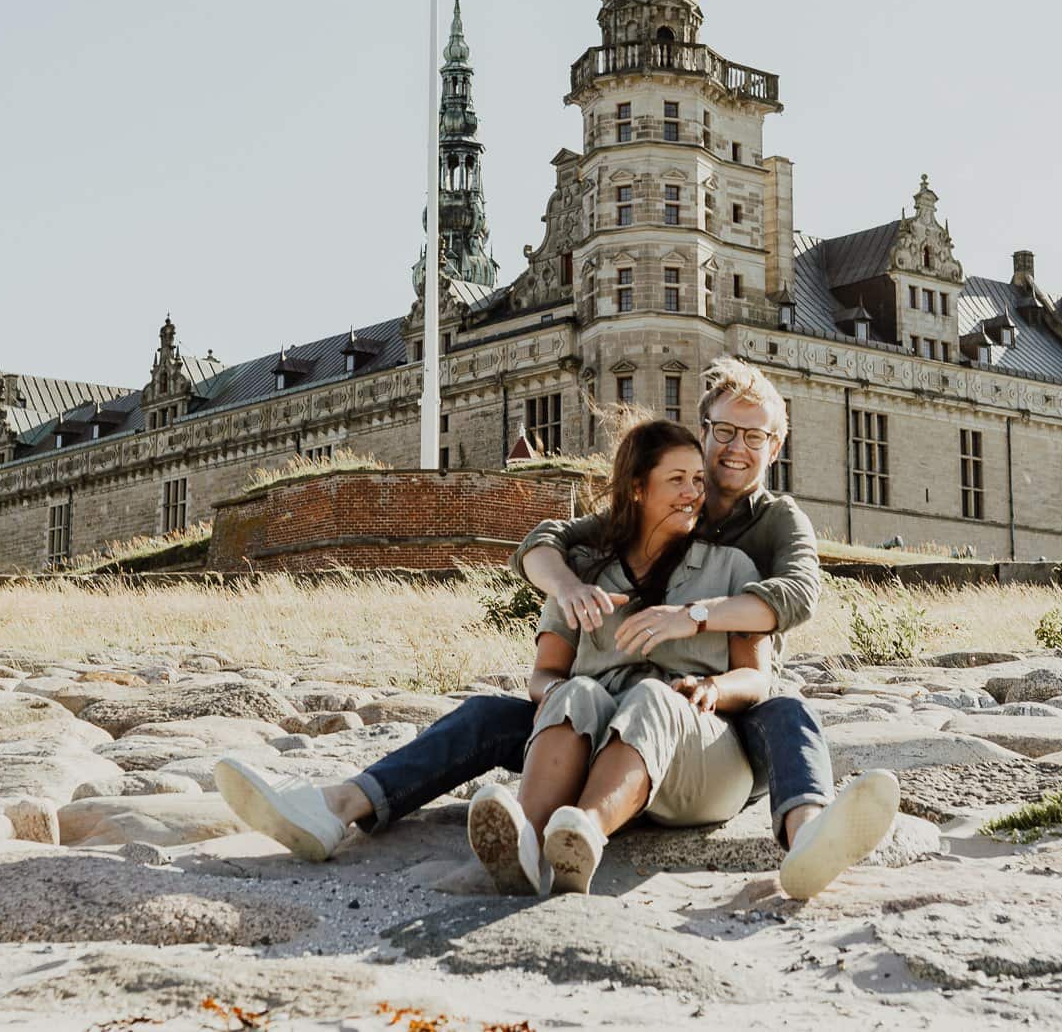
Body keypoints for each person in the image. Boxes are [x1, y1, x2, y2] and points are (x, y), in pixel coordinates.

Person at [217, 356, 898, 900]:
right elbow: (541, 543)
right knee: (498, 714)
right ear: (690, 441)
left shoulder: (766, 532)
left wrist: (694, 624)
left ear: (775, 445)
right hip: (601, 712)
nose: (728, 456)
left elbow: (796, 595)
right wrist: (571, 593)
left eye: (754, 436)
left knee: (782, 707)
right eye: (721, 434)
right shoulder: (617, 535)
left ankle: (807, 835)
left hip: (716, 719)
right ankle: (342, 807)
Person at [465, 417, 766, 894]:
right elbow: (544, 674)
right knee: (576, 692)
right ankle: (525, 842)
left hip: (703, 754)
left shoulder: (733, 566)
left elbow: (756, 680)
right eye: (676, 480)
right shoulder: (583, 569)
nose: (693, 492)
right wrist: (554, 691)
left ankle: (581, 836)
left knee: (652, 696)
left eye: (697, 480)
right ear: (638, 489)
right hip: (604, 743)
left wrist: (713, 687)